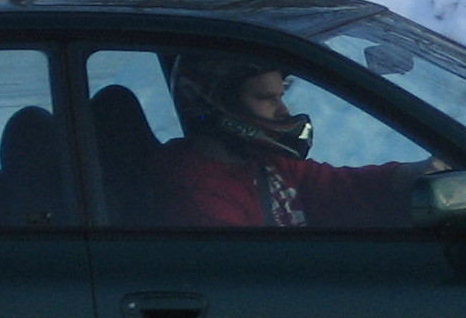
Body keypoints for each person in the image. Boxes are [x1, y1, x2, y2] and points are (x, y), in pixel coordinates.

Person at [155, 52, 440, 228]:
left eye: (281, 96)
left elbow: (338, 188)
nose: (283, 110)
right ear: (219, 103)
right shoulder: (201, 196)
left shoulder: (262, 162)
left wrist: (416, 176)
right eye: (266, 98)